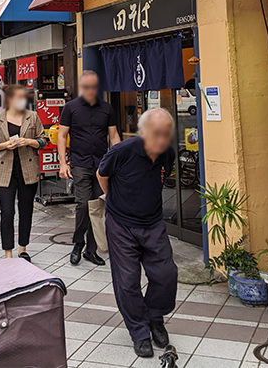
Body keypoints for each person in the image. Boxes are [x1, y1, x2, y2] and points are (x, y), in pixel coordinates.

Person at [96, 108, 178, 358]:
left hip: (152, 222)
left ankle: (155, 318)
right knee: (128, 280)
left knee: (166, 273)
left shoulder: (168, 154)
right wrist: (114, 199)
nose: (162, 139)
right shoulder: (123, 151)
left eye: (166, 134)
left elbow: (160, 180)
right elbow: (102, 175)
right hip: (121, 224)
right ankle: (139, 332)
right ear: (143, 132)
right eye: (156, 133)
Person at [58, 70, 120, 266]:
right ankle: (78, 243)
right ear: (81, 87)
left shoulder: (107, 108)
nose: (90, 90)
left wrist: (118, 161)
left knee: (97, 207)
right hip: (80, 163)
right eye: (86, 87)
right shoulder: (70, 108)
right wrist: (62, 163)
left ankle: (91, 250)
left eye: (93, 87)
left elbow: (114, 136)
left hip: (101, 165)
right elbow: (61, 136)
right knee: (83, 204)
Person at [0, 84, 48, 262]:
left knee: (26, 210)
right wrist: (5, 145)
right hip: (4, 170)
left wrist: (29, 141)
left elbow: (43, 140)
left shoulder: (32, 117)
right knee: (7, 212)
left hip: (27, 169)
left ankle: (23, 249)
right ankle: (8, 253)